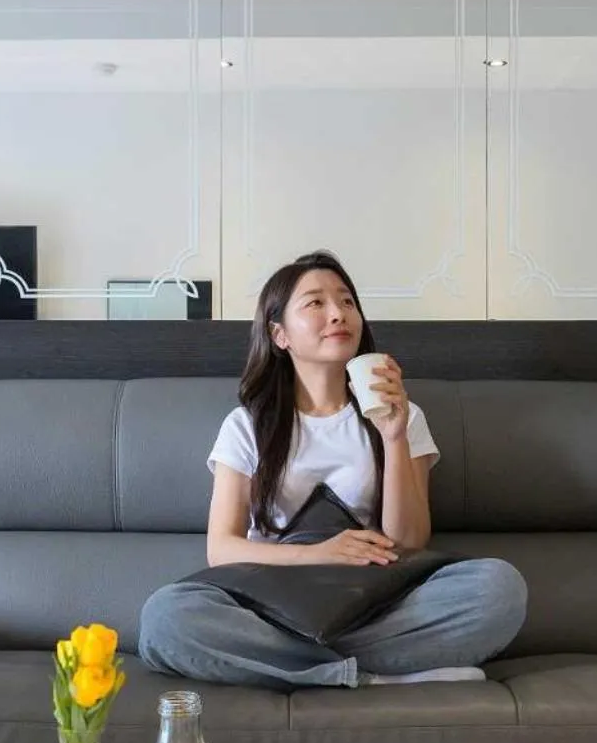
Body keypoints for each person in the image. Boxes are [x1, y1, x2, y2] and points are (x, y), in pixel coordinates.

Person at [138, 251, 527, 689]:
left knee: (499, 589)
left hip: (374, 601)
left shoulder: (405, 416)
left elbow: (410, 541)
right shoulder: (247, 425)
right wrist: (319, 552)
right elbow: (222, 549)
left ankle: (308, 671)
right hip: (270, 607)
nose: (338, 314)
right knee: (165, 619)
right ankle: (374, 676)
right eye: (315, 303)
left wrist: (393, 437)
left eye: (346, 302)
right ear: (279, 334)